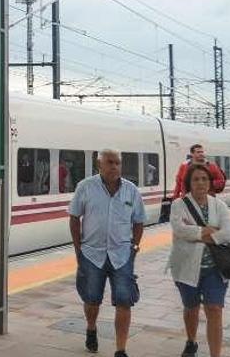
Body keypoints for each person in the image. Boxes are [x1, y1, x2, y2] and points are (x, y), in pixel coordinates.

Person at [69, 149, 146, 357]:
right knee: (92, 299)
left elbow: (139, 221)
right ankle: (91, 328)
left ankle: (120, 349)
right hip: (92, 254)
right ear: (99, 164)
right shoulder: (85, 187)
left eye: (118, 163)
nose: (115, 167)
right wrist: (78, 249)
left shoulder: (131, 191)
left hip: (122, 256)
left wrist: (135, 248)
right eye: (110, 162)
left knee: (124, 301)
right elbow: (74, 218)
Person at [168, 164, 230, 357]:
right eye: (196, 179)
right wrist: (207, 230)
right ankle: (191, 340)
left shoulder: (219, 205)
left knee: (214, 309)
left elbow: (227, 234)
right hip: (185, 267)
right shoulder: (178, 205)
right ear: (189, 183)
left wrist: (193, 232)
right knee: (191, 307)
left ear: (210, 182)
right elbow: (179, 229)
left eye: (204, 179)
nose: (201, 183)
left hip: (215, 268)